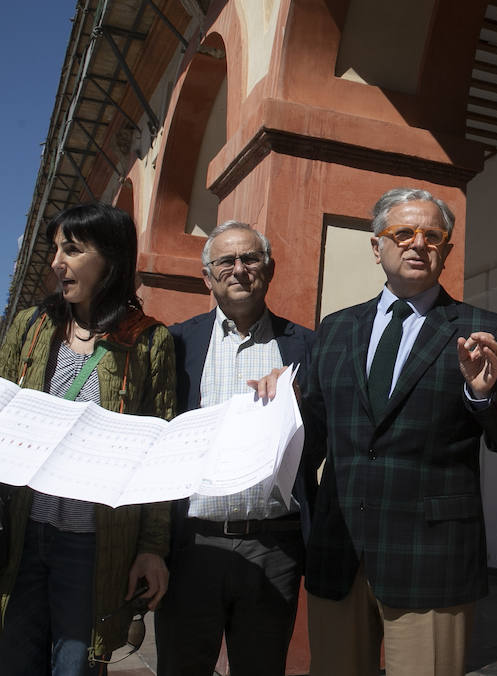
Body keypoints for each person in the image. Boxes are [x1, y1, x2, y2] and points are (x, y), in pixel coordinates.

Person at [0, 203, 177, 675]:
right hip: (19, 535)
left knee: (75, 666)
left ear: (112, 258)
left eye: (73, 250)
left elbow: (156, 456)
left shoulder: (148, 342)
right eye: (55, 249)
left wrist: (152, 548)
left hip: (95, 544)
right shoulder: (30, 326)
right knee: (14, 663)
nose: (57, 262)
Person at [302, 188, 497, 676]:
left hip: (430, 557)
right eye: (404, 232)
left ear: (447, 252)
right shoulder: (335, 330)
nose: (418, 244)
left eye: (433, 236)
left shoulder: (482, 329)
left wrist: (484, 394)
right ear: (377, 247)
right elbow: (309, 436)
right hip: (339, 551)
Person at [156, 220, 315, 676]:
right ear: (207, 276)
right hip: (193, 545)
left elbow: (322, 441)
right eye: (226, 260)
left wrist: (302, 406)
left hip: (273, 544)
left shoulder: (306, 346)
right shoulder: (177, 342)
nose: (239, 269)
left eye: (251, 259)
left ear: (270, 269)